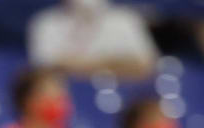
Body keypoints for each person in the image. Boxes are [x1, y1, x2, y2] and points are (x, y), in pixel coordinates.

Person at [27, 0, 158, 80]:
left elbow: (146, 66)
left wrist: (76, 65)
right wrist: (115, 64)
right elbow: (44, 70)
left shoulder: (126, 20)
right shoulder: (45, 23)